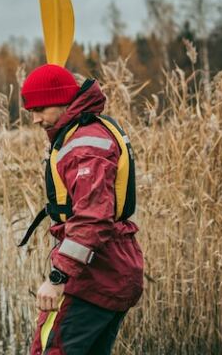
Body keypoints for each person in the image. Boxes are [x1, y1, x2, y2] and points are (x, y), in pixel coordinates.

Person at [19, 64, 144, 355]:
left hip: (93, 276)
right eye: (30, 112)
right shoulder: (86, 131)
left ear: (63, 100)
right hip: (112, 270)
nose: (35, 120)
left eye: (41, 109)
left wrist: (58, 278)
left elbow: (93, 218)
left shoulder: (84, 145)